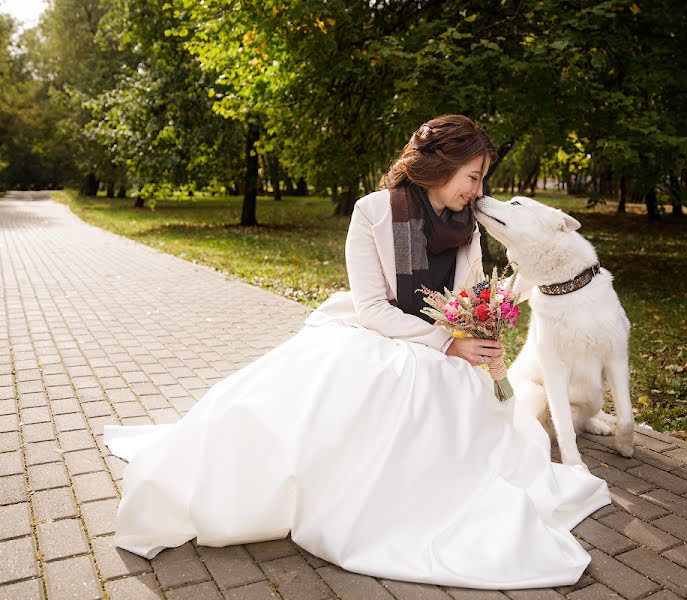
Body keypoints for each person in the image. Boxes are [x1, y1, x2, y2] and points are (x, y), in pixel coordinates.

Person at [103, 115, 610, 590]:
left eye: (481, 180)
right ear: (441, 165)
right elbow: (371, 308)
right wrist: (445, 343)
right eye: (473, 177)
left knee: (462, 398)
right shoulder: (373, 212)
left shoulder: (467, 228)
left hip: (445, 344)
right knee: (377, 386)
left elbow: (466, 299)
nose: (478, 191)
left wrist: (480, 339)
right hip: (377, 335)